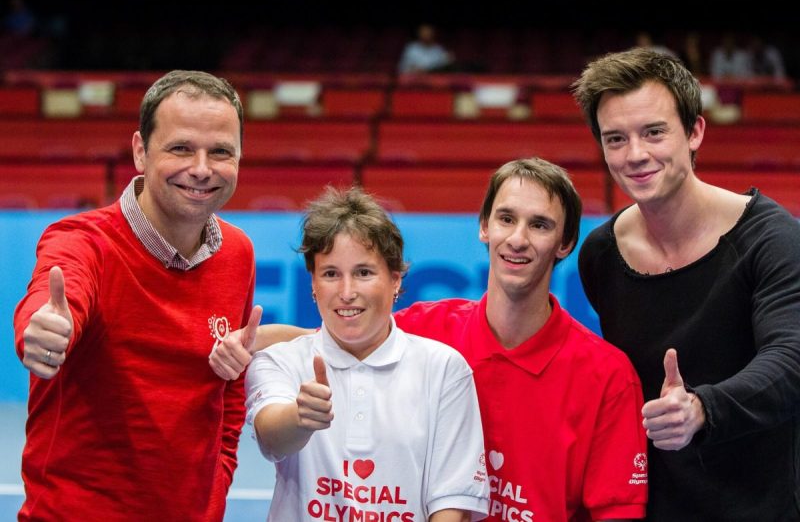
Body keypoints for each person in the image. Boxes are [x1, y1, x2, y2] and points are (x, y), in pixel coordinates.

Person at [212, 159, 649, 521]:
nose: (517, 238)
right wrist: (244, 345)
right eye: (506, 219)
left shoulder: (607, 376)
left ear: (565, 242)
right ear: (484, 227)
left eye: (539, 225)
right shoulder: (433, 329)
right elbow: (335, 339)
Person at [13, 70, 259, 521]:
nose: (202, 168)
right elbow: (50, 303)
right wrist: (42, 332)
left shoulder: (238, 252)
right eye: (181, 148)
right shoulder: (81, 241)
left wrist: (216, 487)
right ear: (140, 151)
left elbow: (228, 391)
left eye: (221, 151)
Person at [573, 47, 800, 520]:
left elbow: (790, 361)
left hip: (762, 505)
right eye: (616, 139)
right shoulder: (600, 254)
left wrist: (702, 408)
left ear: (695, 132)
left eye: (653, 132)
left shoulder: (772, 238)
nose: (635, 155)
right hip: (652, 509)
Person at [245, 186, 489, 521]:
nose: (347, 293)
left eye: (364, 273)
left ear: (395, 280)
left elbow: (451, 504)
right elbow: (272, 438)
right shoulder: (279, 361)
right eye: (331, 274)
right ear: (313, 285)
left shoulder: (446, 369)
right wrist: (299, 419)